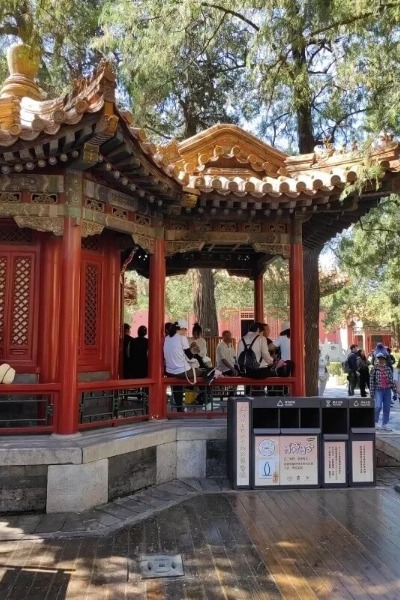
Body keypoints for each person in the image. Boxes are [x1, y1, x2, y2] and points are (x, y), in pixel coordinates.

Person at [164, 319, 215, 411]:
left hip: (169, 371)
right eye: (185, 330)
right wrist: (193, 349)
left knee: (177, 384)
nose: (185, 332)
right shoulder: (182, 338)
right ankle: (207, 402)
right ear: (182, 329)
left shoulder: (166, 338)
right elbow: (190, 356)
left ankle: (180, 407)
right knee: (207, 371)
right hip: (183, 371)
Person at [370, 351, 396, 431]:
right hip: (378, 390)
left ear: (385, 360)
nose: (381, 360)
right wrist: (371, 392)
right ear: (377, 360)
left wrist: (394, 391)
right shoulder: (374, 369)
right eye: (379, 359)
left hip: (387, 390)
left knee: (387, 407)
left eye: (382, 359)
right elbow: (371, 381)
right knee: (378, 406)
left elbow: (391, 380)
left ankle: (385, 424)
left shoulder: (388, 369)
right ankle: (375, 422)